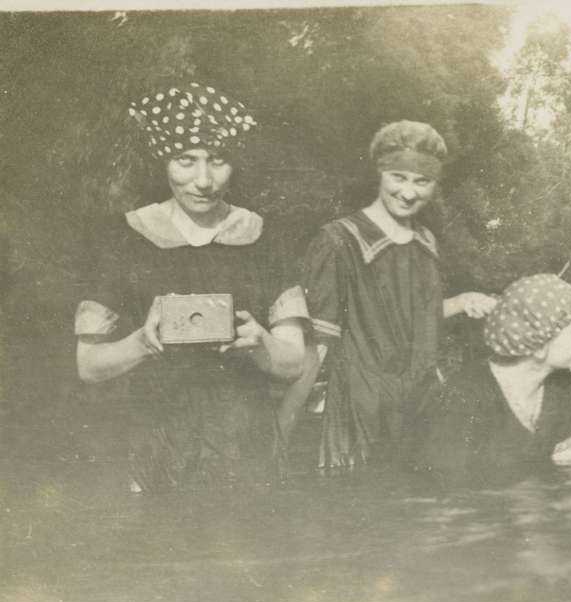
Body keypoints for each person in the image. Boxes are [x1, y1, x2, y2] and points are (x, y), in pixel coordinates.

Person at [75, 83, 308, 491]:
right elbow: (88, 367)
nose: (203, 180)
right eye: (186, 161)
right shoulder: (126, 238)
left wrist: (259, 344)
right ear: (163, 162)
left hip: (246, 455)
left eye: (217, 161)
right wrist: (143, 343)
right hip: (156, 452)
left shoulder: (262, 238)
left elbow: (294, 364)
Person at [285, 120, 496, 475]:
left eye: (422, 181)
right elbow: (318, 345)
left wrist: (462, 302)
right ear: (380, 173)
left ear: (435, 184)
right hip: (359, 409)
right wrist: (285, 425)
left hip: (419, 406)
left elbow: (412, 321)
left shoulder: (426, 241)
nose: (409, 193)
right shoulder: (338, 241)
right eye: (399, 177)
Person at [413, 274, 571, 489]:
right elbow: (445, 498)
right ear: (539, 345)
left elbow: (569, 463)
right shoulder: (464, 399)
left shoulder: (559, 383)